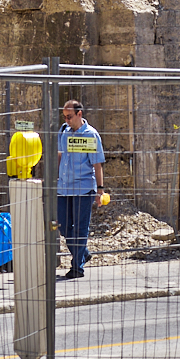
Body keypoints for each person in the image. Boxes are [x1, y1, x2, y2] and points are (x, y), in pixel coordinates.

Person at [57, 100, 104, 279]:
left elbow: (97, 164)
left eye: (69, 117)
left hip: (83, 188)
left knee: (80, 229)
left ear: (79, 114)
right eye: (64, 117)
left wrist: (100, 190)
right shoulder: (64, 133)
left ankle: (77, 267)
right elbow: (60, 156)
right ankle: (83, 252)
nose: (67, 120)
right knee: (63, 225)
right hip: (64, 187)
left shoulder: (91, 135)